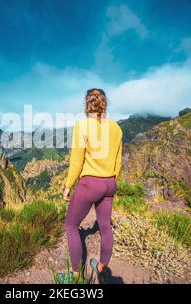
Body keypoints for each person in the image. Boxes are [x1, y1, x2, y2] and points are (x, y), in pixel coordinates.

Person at [59, 88, 123, 284]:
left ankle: (76, 276)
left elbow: (77, 162)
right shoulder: (116, 128)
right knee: (105, 226)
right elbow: (118, 163)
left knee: (71, 225)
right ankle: (101, 266)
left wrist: (68, 185)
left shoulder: (82, 126)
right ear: (105, 104)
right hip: (110, 183)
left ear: (87, 105)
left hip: (90, 184)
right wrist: (111, 182)